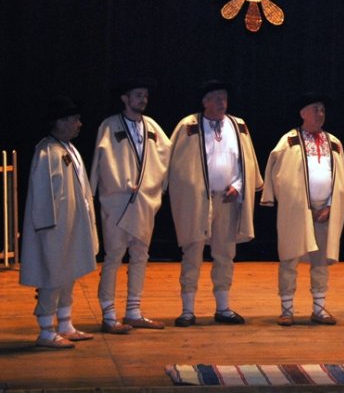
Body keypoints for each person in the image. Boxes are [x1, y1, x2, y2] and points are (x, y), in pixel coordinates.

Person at [165, 80, 263, 327]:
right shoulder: (189, 125)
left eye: (224, 97)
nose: (222, 102)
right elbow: (174, 163)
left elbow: (246, 162)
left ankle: (223, 307)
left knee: (225, 253)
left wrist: (238, 185)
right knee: (192, 251)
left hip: (227, 199)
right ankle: (188, 310)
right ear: (205, 101)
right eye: (217, 97)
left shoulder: (238, 125)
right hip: (198, 200)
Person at [89, 77, 170, 335]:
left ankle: (133, 311)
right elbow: (103, 159)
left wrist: (155, 185)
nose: (143, 99)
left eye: (145, 95)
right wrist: (120, 183)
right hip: (118, 201)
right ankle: (109, 314)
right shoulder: (110, 125)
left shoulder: (152, 127)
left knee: (140, 255)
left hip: (144, 201)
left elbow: (166, 155)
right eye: (138, 95)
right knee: (114, 256)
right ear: (125, 98)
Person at [261, 93, 344, 327]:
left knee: (320, 261)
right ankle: (287, 310)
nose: (320, 114)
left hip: (324, 211)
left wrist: (331, 205)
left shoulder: (333, 142)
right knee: (289, 258)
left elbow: (341, 178)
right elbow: (278, 173)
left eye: (322, 110)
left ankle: (319, 309)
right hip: (296, 210)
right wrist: (295, 203)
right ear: (303, 113)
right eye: (315, 109)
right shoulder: (289, 141)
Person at [20, 95, 99, 349]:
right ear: (60, 121)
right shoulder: (47, 151)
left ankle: (65, 323)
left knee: (68, 274)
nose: (79, 124)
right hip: (54, 229)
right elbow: (43, 194)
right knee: (51, 276)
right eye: (75, 119)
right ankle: (46, 330)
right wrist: (47, 230)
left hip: (71, 225)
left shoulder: (68, 149)